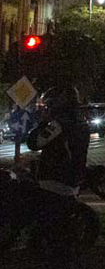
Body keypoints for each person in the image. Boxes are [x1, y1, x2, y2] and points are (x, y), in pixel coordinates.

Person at [24, 87, 90, 222]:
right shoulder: (81, 122)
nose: (47, 108)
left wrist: (43, 122)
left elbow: (34, 143)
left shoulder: (59, 124)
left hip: (55, 179)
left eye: (48, 105)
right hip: (73, 177)